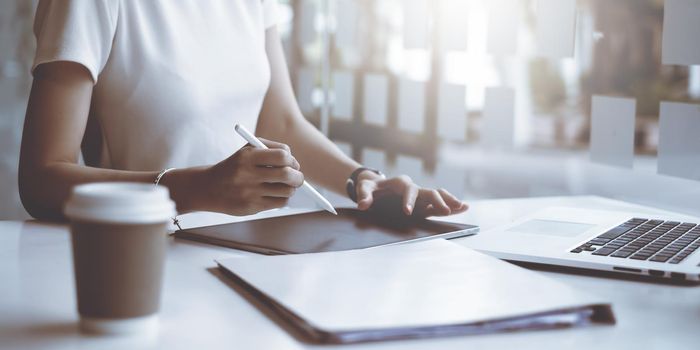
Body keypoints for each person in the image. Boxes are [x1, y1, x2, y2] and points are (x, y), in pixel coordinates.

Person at [19, 0, 468, 222]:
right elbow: (40, 179)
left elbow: (281, 121)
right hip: (150, 259)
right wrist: (194, 189)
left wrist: (361, 181)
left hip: (260, 255)